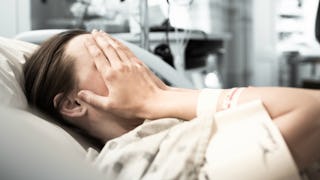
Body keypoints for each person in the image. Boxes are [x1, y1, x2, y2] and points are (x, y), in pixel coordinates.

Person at [24, 29, 319, 177]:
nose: (132, 68)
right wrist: (158, 97)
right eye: (108, 60)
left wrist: (164, 97)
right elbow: (314, 112)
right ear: (74, 104)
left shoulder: (172, 119)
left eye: (125, 54)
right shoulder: (138, 157)